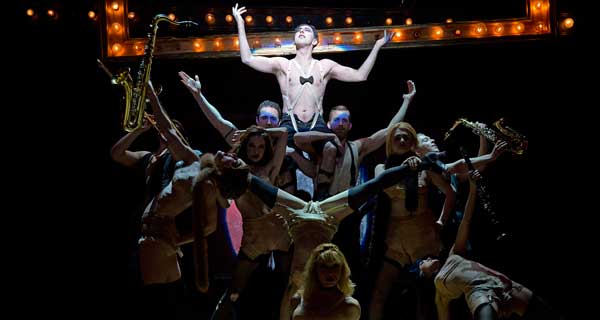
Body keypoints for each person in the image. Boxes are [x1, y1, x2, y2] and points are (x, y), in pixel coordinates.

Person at [213, 149, 447, 320]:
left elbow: (376, 184)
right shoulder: (337, 302)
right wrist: (416, 166)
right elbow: (375, 184)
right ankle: (228, 167)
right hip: (322, 216)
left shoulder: (306, 297)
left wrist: (418, 165)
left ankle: (228, 167)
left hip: (303, 215)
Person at [233, 3, 393, 195]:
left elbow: (360, 75)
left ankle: (321, 197)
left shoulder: (324, 66)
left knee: (330, 149)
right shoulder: (283, 65)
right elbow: (248, 59)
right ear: (293, 40)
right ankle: (288, 202)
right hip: (290, 122)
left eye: (306, 30)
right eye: (298, 30)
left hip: (316, 122)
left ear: (315, 41)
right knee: (282, 158)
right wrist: (240, 24)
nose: (301, 31)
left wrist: (377, 46)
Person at [417, 170, 564, 320]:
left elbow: (466, 221)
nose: (424, 260)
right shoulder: (439, 289)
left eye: (423, 259)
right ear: (426, 276)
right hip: (482, 294)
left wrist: (473, 188)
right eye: (421, 263)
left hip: (509, 287)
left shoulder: (453, 255)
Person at [367, 122, 456, 320]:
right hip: (396, 240)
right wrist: (405, 168)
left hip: (424, 237)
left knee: (427, 294)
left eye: (406, 137)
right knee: (379, 293)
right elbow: (380, 184)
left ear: (412, 142)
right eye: (397, 137)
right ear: (390, 142)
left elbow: (450, 193)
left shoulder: (425, 167)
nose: (401, 140)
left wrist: (442, 221)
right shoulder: (381, 168)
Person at [178, 71, 316, 197]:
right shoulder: (245, 139)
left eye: (273, 119)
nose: (268, 122)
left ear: (279, 122)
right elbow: (219, 122)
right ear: (257, 120)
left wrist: (293, 153)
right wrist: (198, 96)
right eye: (264, 117)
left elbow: (312, 172)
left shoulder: (286, 143)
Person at [290, 243, 360, 320]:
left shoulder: (350, 307)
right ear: (314, 269)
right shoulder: (297, 300)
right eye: (324, 266)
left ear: (342, 270)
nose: (330, 272)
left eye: (335, 266)